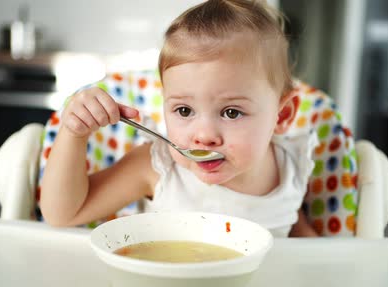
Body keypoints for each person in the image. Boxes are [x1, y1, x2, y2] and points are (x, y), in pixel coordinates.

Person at [40, 0, 318, 237]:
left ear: (281, 115)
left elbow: (297, 238)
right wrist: (74, 134)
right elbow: (64, 215)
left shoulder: (291, 166)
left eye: (231, 112)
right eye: (184, 111)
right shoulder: (159, 168)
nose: (204, 135)